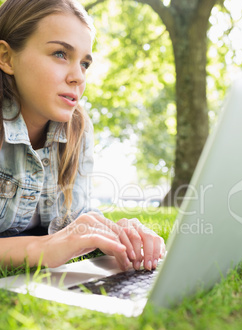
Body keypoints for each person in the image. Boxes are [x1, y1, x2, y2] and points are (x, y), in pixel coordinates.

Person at [0, 0, 165, 271]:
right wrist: (38, 248)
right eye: (60, 54)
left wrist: (117, 233)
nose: (78, 77)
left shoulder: (77, 129)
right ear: (6, 57)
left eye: (85, 63)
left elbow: (73, 218)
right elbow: (51, 243)